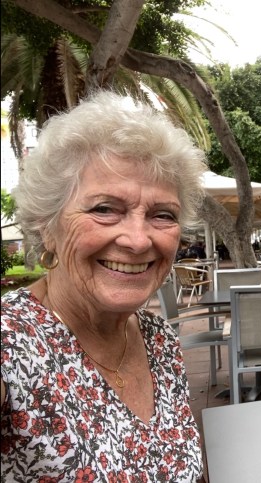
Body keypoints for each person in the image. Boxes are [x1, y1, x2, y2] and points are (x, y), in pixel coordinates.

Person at [1, 91, 208, 482]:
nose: (138, 240)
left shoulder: (158, 338)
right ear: (48, 227)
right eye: (105, 209)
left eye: (163, 215)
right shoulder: (11, 344)